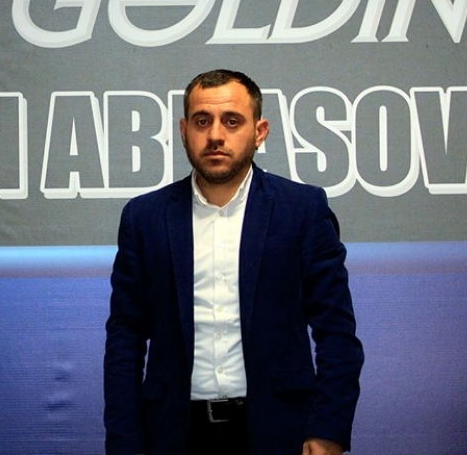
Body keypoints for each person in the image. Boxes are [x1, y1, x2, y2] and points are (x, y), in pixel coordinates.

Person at [104, 69, 363, 455]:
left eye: (231, 121)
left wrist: (328, 429)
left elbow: (336, 332)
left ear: (259, 132)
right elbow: (125, 338)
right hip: (173, 436)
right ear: (183, 131)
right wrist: (125, 442)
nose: (215, 135)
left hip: (280, 434)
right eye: (202, 121)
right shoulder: (144, 218)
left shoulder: (302, 210)